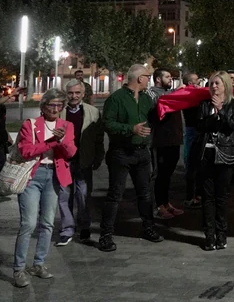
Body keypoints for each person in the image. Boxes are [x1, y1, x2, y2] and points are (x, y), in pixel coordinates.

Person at [12, 88, 77, 288]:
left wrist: (62, 141)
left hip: (54, 176)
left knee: (48, 223)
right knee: (29, 223)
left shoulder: (67, 125)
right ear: (43, 106)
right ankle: (19, 269)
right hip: (33, 175)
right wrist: (51, 141)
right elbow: (25, 150)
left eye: (60, 105)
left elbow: (71, 152)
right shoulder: (30, 125)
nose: (56, 109)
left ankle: (39, 264)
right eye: (52, 105)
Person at [98, 64, 163, 252]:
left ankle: (149, 228)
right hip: (121, 153)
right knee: (115, 194)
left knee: (145, 193)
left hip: (142, 152)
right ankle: (106, 235)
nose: (149, 80)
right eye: (147, 76)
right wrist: (130, 129)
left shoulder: (145, 99)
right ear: (139, 78)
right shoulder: (116, 99)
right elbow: (108, 124)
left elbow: (153, 118)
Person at [195, 71, 234, 251]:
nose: (214, 87)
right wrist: (213, 114)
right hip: (206, 155)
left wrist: (221, 110)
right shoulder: (204, 105)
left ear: (226, 86)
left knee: (221, 197)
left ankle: (222, 235)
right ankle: (209, 235)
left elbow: (233, 126)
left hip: (225, 155)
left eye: (218, 83)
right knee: (207, 198)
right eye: (212, 83)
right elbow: (200, 126)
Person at [56, 79, 104, 245]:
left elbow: (98, 138)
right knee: (64, 195)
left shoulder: (93, 112)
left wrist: (99, 156)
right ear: (66, 94)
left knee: (83, 195)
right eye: (70, 93)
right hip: (63, 160)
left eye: (77, 93)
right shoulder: (58, 111)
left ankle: (84, 226)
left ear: (83, 94)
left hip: (84, 161)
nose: (74, 96)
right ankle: (67, 229)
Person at [146, 68, 185, 219]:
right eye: (167, 77)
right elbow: (156, 110)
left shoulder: (170, 93)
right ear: (157, 79)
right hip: (160, 141)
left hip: (173, 140)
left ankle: (166, 203)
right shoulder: (151, 94)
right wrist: (176, 93)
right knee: (159, 175)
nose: (170, 79)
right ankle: (158, 206)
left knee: (167, 175)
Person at [182, 72, 203, 209]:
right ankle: (190, 196)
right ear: (190, 83)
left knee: (200, 164)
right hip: (192, 130)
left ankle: (198, 193)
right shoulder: (188, 94)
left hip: (198, 130)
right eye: (196, 80)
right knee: (191, 164)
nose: (199, 82)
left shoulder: (195, 94)